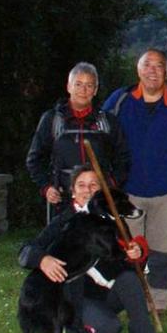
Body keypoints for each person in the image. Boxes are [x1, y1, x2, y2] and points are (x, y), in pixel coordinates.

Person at [18, 164, 157, 333]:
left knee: (130, 279)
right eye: (81, 185)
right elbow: (26, 250)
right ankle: (80, 327)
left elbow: (128, 261)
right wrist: (42, 259)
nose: (88, 190)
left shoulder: (112, 219)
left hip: (105, 293)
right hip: (77, 299)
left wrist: (137, 253)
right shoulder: (63, 221)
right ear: (73, 192)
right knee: (109, 331)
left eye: (94, 185)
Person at [102, 49, 167, 313]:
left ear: (166, 71)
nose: (152, 70)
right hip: (128, 191)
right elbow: (102, 138)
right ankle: (130, 301)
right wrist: (109, 181)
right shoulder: (119, 100)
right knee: (129, 251)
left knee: (162, 252)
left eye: (158, 66)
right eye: (147, 65)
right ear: (138, 69)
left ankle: (158, 303)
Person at [26, 62, 130, 218]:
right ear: (69, 87)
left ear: (95, 90)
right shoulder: (52, 120)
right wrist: (46, 187)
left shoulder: (108, 122)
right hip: (63, 200)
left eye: (89, 85)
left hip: (99, 200)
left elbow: (124, 157)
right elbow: (34, 159)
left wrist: (111, 184)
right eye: (78, 84)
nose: (83, 90)